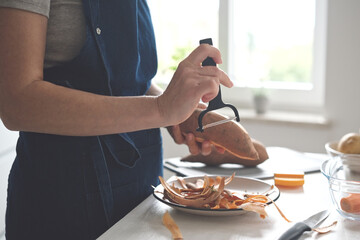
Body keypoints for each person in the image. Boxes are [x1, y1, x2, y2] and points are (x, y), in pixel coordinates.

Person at [0, 0, 232, 239]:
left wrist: (176, 112)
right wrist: (161, 108)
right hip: (61, 204)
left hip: (141, 190)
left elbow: (126, 79)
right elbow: (17, 102)